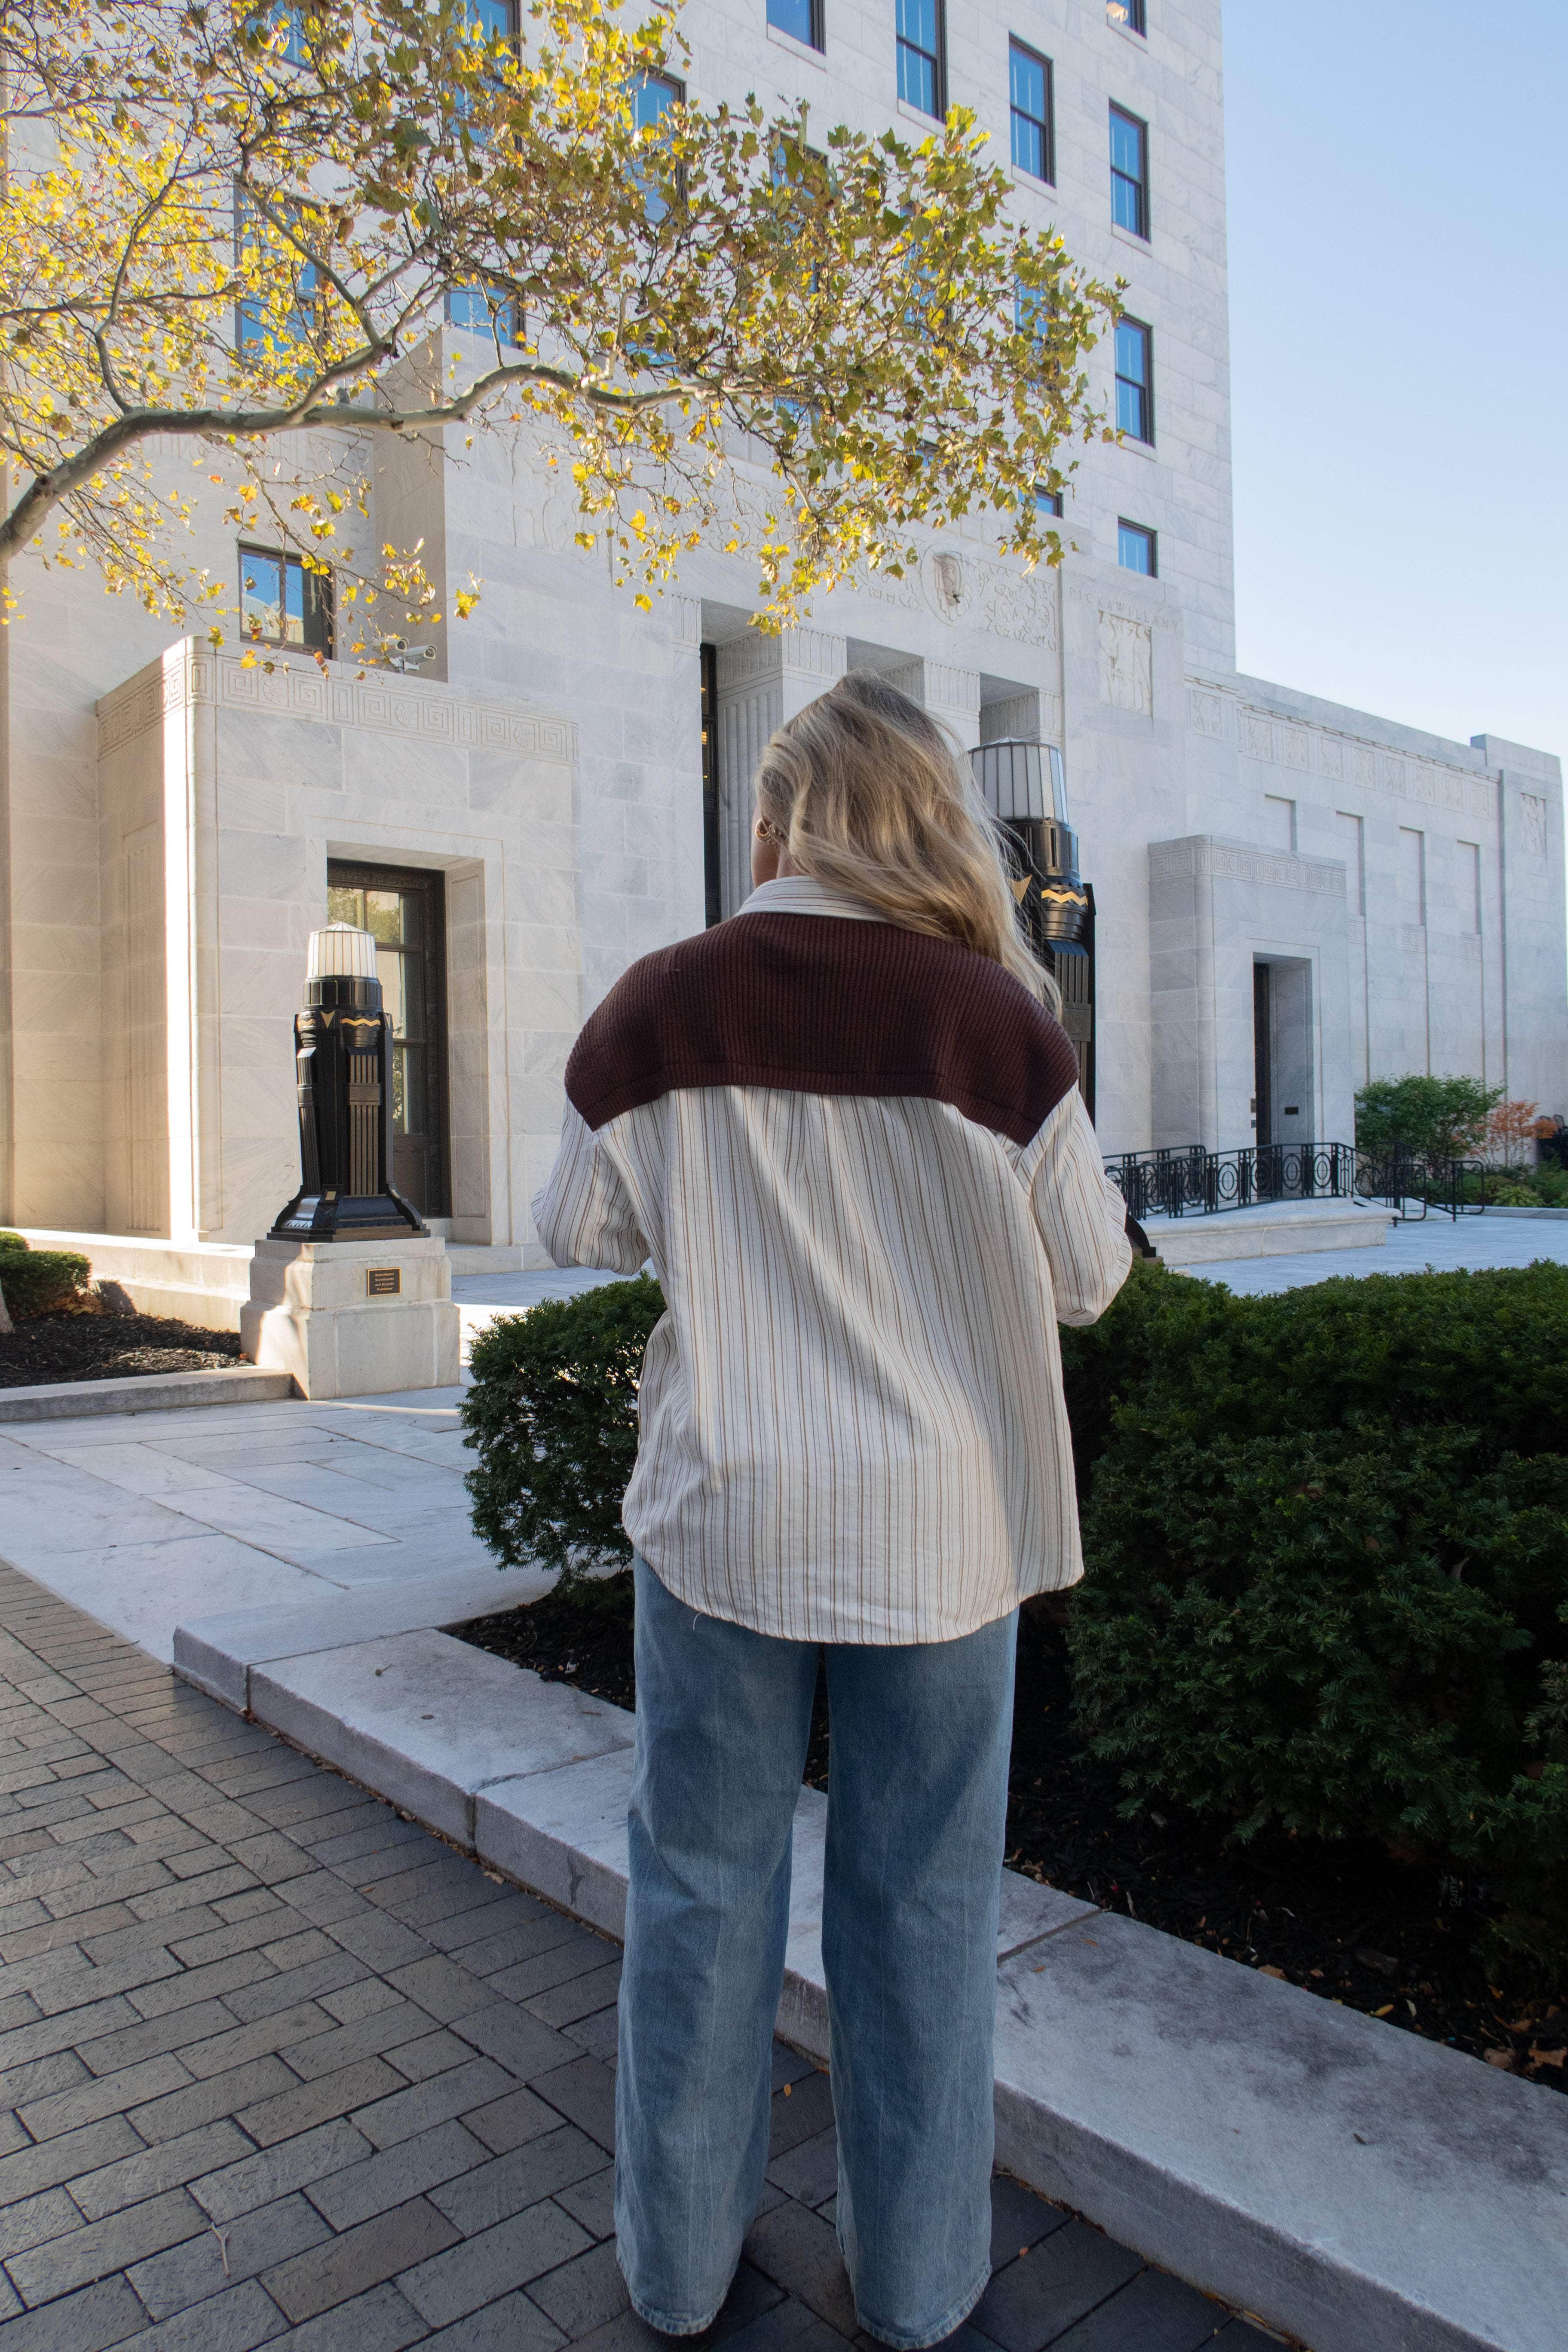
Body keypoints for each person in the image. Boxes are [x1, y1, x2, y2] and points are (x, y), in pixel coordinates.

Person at [532, 672, 1132, 2346]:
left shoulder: (662, 1001)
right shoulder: (998, 1026)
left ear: (778, 820)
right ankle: (924, 2287)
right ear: (930, 822)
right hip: (941, 1534)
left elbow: (577, 1230)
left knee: (699, 1889)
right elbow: (1089, 1277)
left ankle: (675, 2273)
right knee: (922, 1910)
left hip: (723, 1514)